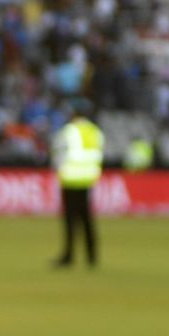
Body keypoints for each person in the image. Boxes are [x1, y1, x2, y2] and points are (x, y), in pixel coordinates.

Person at [52, 105, 105, 268]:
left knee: (70, 220)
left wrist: (58, 171)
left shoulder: (69, 131)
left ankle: (69, 255)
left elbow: (58, 153)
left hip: (70, 179)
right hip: (87, 178)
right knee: (87, 219)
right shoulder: (95, 132)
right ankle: (92, 256)